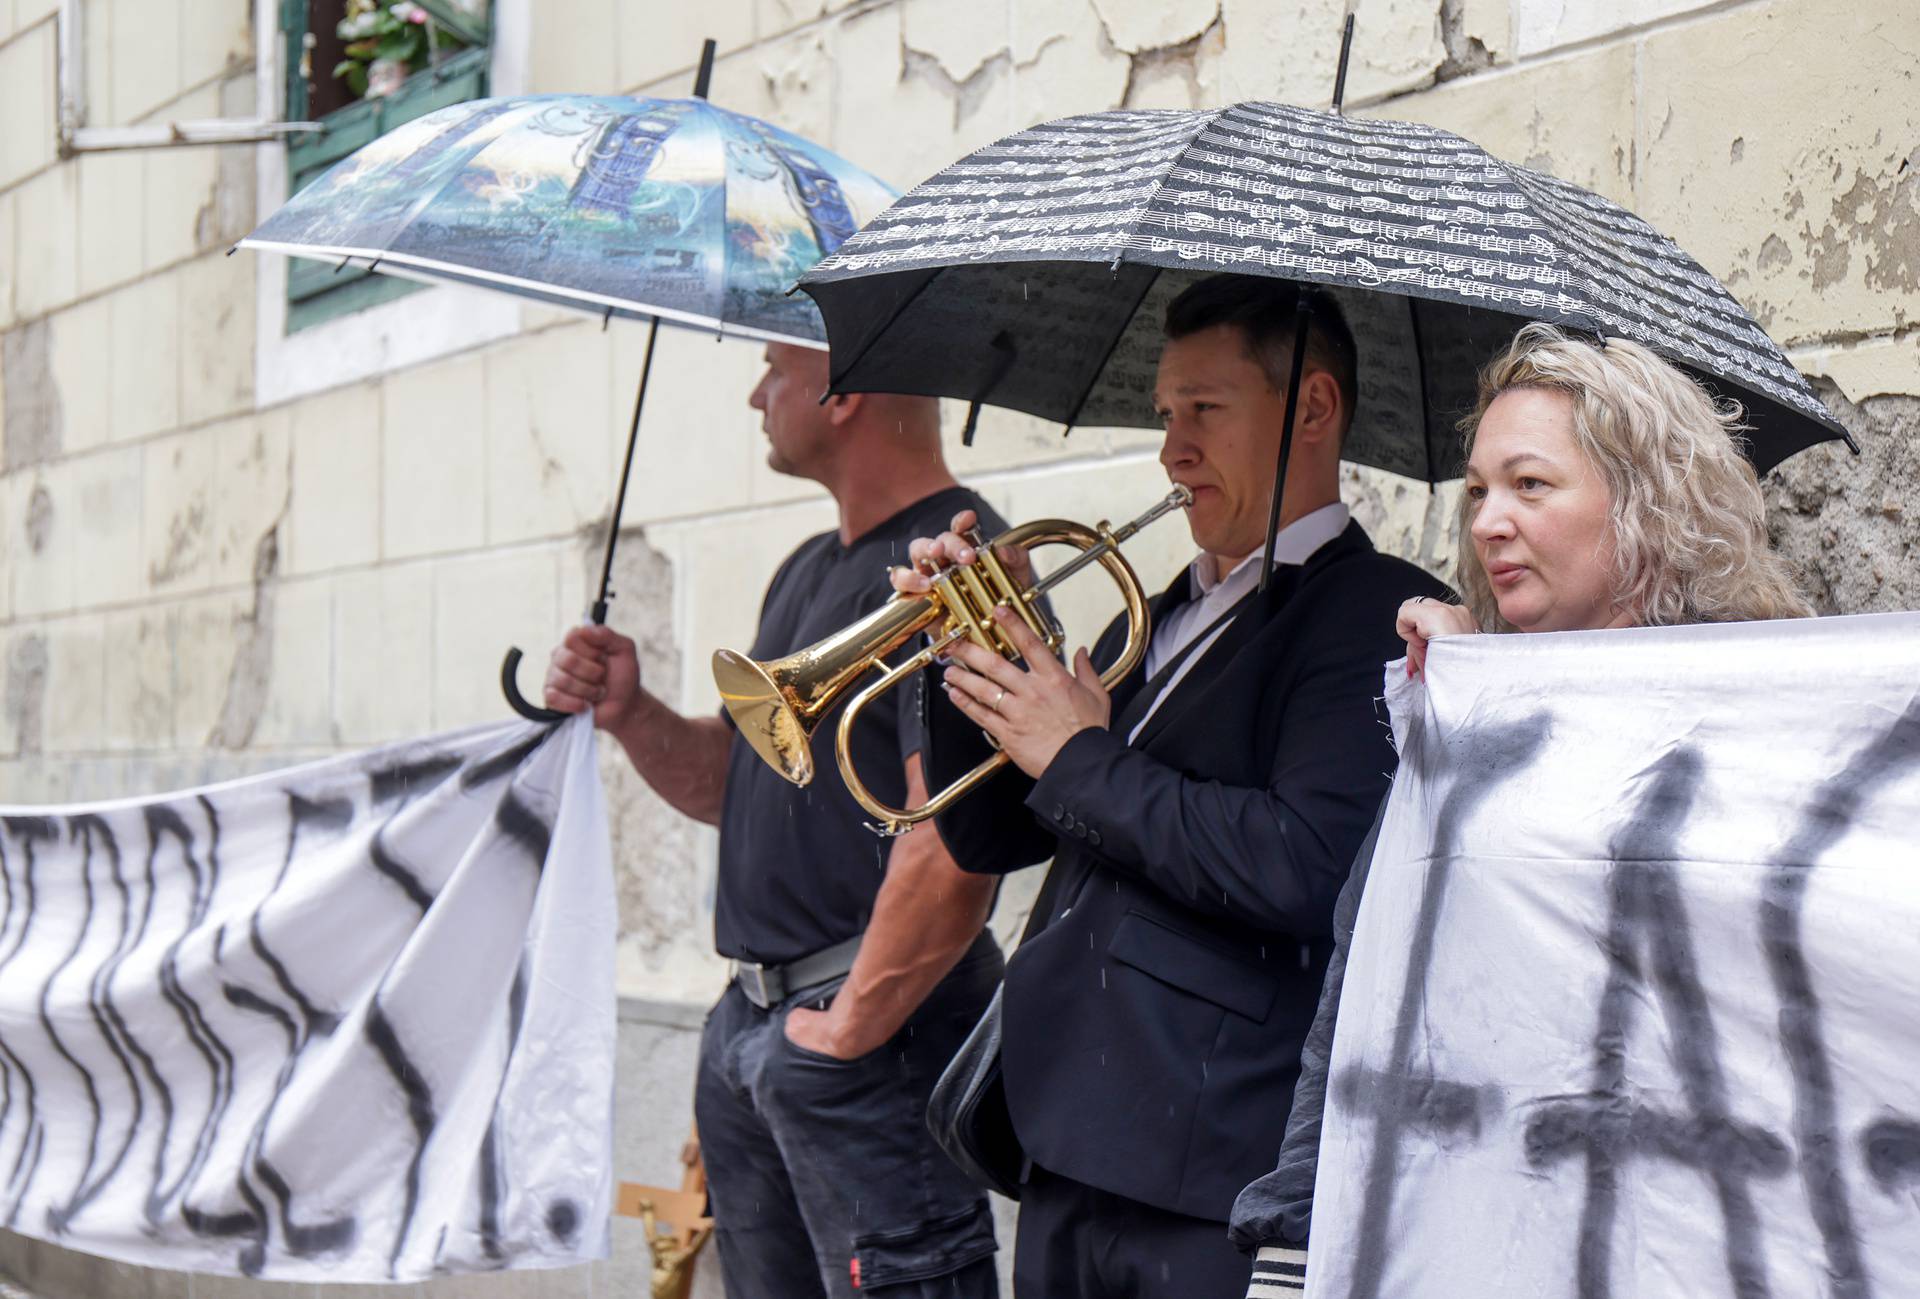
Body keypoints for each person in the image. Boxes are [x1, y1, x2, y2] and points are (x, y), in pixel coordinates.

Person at [891, 274, 1450, 1298]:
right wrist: (966, 650)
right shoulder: (1148, 618)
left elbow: (1306, 864)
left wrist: (1080, 754)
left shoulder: (1379, 612)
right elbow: (991, 835)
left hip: (1206, 1171)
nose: (1171, 450)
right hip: (1068, 1147)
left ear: (1314, 410)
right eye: (1164, 413)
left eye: (1206, 411)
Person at [1229, 322, 1814, 1297]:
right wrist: (1291, 1245)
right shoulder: (1457, 716)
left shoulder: (1773, 730)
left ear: (1648, 504)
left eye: (1530, 485)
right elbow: (1361, 1006)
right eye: (1478, 492)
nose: (1488, 521)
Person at [544, 343, 1007, 1299]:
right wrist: (632, 712)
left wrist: (849, 1029)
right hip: (758, 1026)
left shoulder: (962, 557)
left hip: (862, 1040)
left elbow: (960, 837)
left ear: (845, 394)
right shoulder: (805, 568)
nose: (757, 395)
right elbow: (742, 785)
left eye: (774, 371)